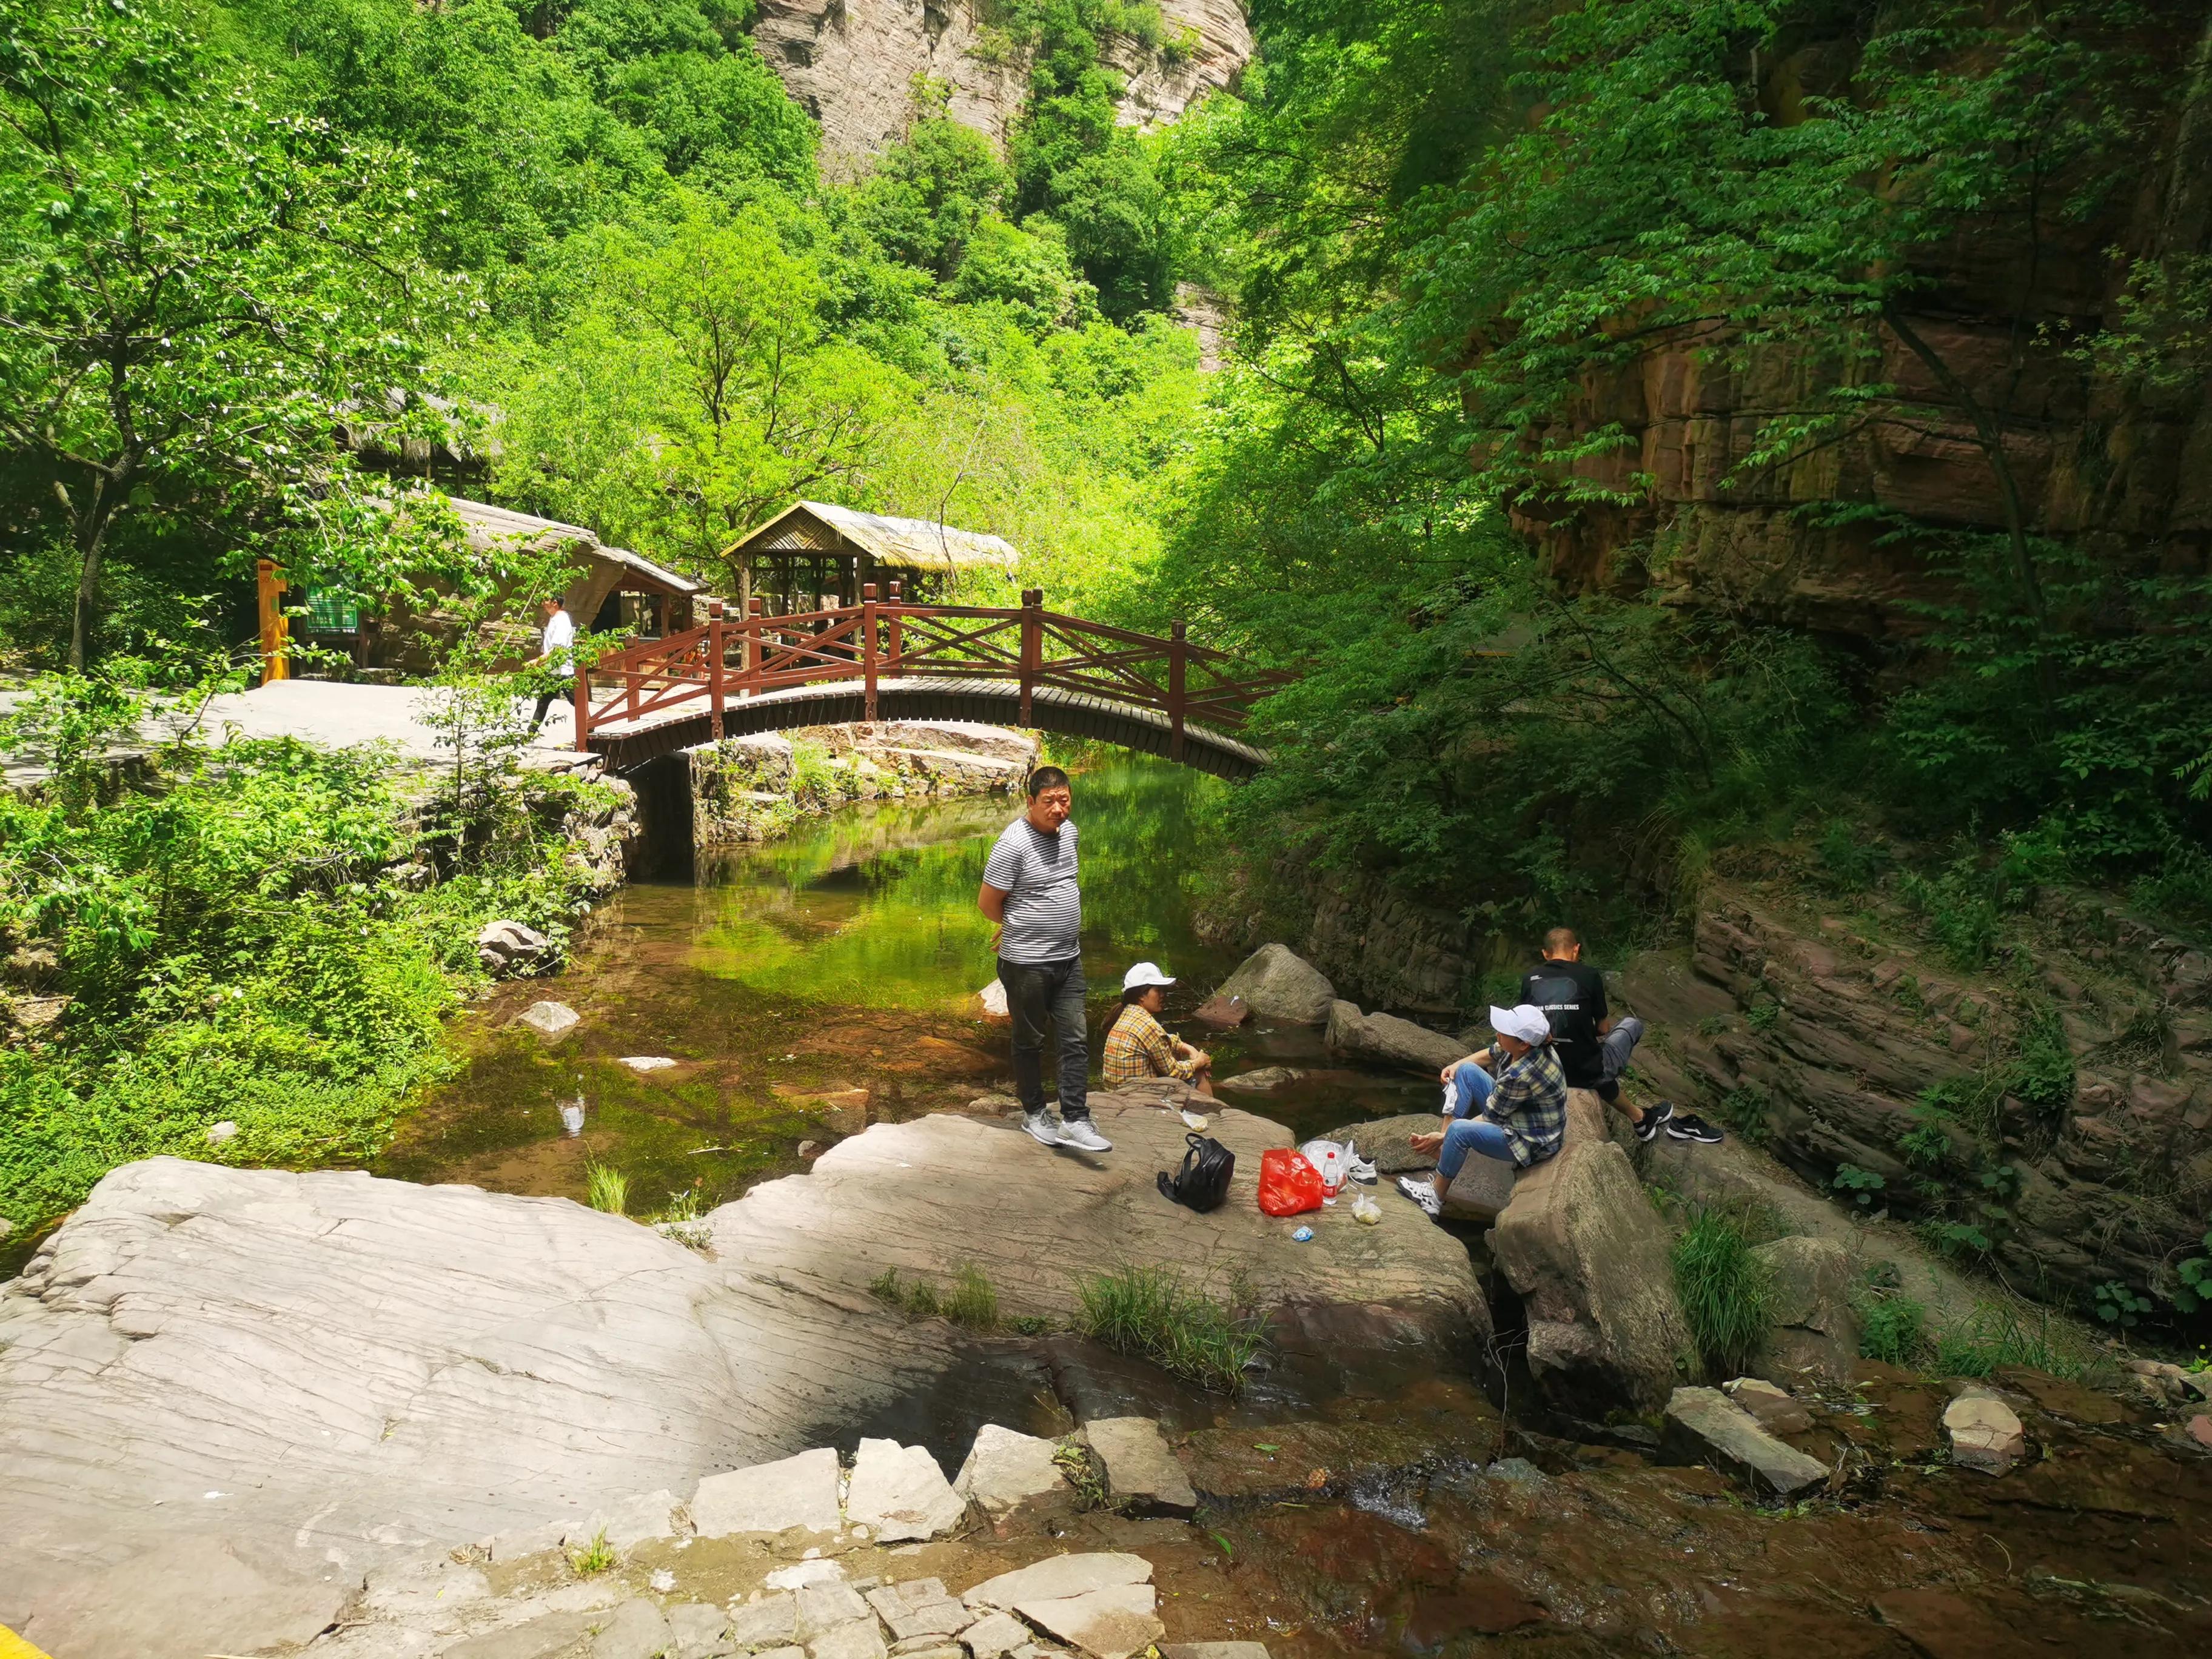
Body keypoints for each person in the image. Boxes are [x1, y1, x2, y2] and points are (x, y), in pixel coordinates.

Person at [978, 766, 1112, 1153]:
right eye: (1049, 801)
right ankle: (1035, 1113)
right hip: (1027, 964)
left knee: (1075, 1039)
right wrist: (1017, 925)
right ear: (1031, 802)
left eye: (1064, 800)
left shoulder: (1069, 833)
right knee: (1030, 1041)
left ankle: (1075, 1118)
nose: (1058, 809)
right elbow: (988, 904)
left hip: (1069, 958)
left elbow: (1061, 886)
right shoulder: (1012, 845)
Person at [1522, 926, 1720, 1144]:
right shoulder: (1589, 975)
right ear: (1576, 950)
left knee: (1589, 1060)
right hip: (1585, 1072)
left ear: (1545, 954)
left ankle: (1641, 1119)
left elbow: (1525, 1027)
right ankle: (1642, 1120)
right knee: (1629, 1025)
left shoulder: (1529, 978)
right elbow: (1603, 1029)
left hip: (1544, 1070)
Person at [1397, 1004, 1567, 1217]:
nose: (1497, 1034)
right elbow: (1489, 1054)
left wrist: (1443, 1137)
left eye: (1504, 1033)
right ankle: (1445, 1154)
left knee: (1459, 1131)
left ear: (1523, 1044)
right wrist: (1455, 1065)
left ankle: (1434, 1197)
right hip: (1518, 1113)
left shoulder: (1521, 1075)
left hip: (1531, 1141)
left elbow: (1491, 1117)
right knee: (1466, 1070)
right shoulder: (1528, 1046)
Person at [1102, 962, 1215, 1096]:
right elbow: (1174, 1072)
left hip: (1117, 1095)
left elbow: (1162, 1040)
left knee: (1176, 1056)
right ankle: (1211, 1114)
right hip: (1139, 1101)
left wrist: (1187, 1048)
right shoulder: (1147, 1024)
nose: (1163, 995)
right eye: (1158, 991)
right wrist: (1199, 1062)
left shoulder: (1127, 1015)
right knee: (1199, 1073)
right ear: (1142, 995)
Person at [528, 596, 577, 732]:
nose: (543, 603)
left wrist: (538, 661)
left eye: (546, 600)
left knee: (576, 701)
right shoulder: (555, 618)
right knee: (543, 701)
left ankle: (590, 728)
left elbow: (558, 648)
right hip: (554, 669)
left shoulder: (561, 619)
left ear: (555, 603)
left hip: (563, 669)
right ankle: (531, 732)